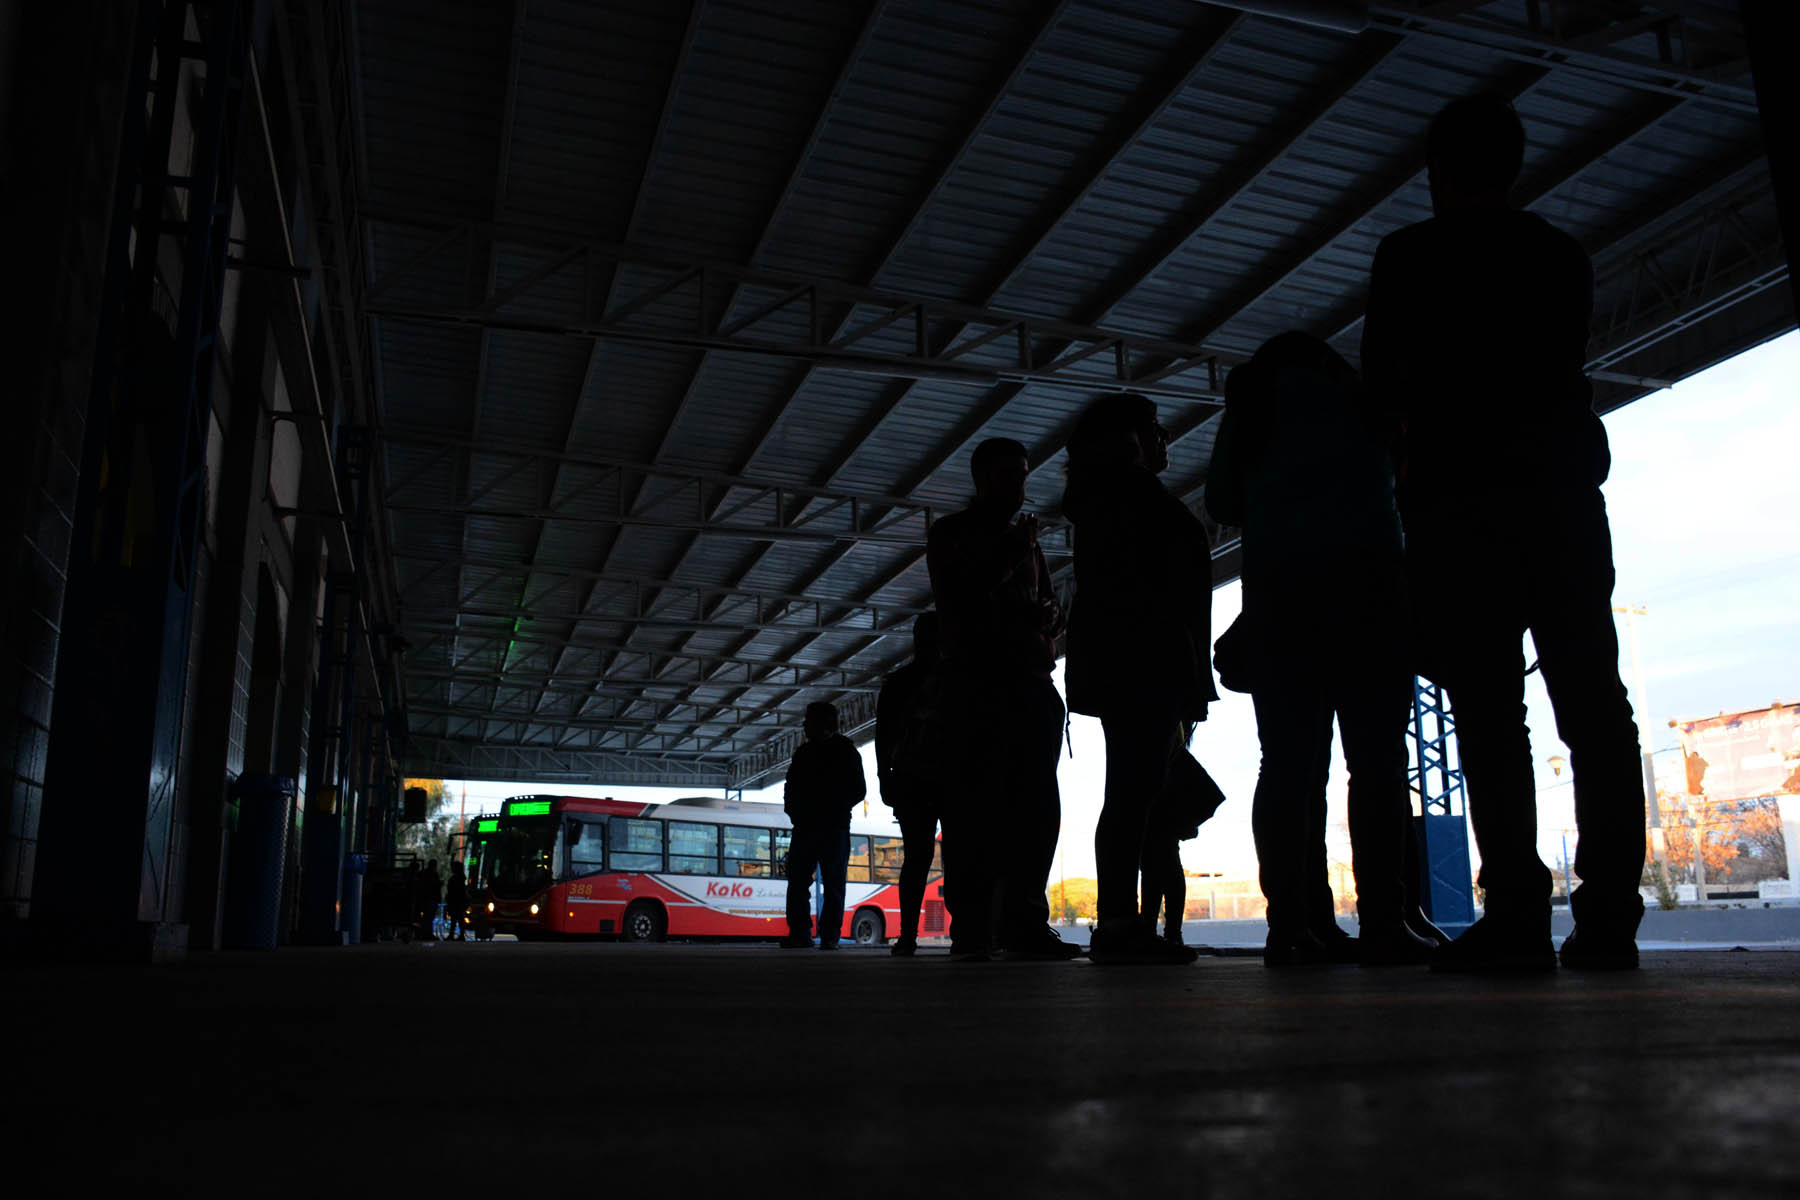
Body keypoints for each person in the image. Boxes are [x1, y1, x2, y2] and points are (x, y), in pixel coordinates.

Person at [1362, 93, 1646, 971]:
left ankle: (1518, 914)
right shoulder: (1560, 255)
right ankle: (1607, 922)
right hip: (1559, 500)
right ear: (1516, 168)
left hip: (1458, 509)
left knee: (1489, 714)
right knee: (1594, 706)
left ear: (1435, 173)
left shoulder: (1408, 256)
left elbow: (1381, 393)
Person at [1206, 332, 1437, 967]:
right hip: (1371, 603)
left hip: (1285, 608)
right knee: (1378, 767)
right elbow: (1407, 499)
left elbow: (1221, 502)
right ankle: (1385, 920)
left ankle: (1294, 924)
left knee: (1288, 769)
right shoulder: (1365, 406)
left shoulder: (1252, 413)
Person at [1062, 394, 1215, 965]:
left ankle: (1119, 921)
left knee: (1130, 790)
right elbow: (1164, 596)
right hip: (1148, 665)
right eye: (1153, 429)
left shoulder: (1103, 500)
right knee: (1135, 792)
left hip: (1127, 665)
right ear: (1127, 439)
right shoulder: (1134, 499)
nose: (1164, 440)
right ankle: (1121, 926)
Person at [926, 437, 1077, 962]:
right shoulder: (953, 535)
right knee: (976, 811)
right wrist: (1012, 552)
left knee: (1035, 810)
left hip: (1030, 684)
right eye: (1009, 473)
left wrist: (1051, 618)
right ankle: (976, 928)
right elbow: (961, 596)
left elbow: (1046, 601)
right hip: (980, 686)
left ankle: (1023, 922)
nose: (1019, 484)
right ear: (981, 478)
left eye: (1023, 473)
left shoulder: (1023, 542)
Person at [875, 611, 944, 957]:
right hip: (949, 778)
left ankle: (906, 936)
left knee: (916, 858)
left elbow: (881, 738)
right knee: (959, 857)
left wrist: (884, 777)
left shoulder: (897, 684)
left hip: (909, 779)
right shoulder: (957, 682)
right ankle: (969, 933)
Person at [781, 701, 867, 950]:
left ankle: (801, 933)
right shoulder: (845, 751)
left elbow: (792, 787)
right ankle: (828, 936)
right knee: (832, 882)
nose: (804, 724)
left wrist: (796, 812)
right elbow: (858, 790)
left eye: (809, 719)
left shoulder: (805, 754)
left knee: (800, 881)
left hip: (814, 826)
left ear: (822, 723)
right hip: (831, 826)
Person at [445, 860, 468, 942]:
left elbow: (455, 891)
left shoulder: (456, 879)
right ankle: (458, 935)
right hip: (458, 902)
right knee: (457, 919)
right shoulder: (460, 878)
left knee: (456, 919)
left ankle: (456, 935)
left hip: (456, 902)